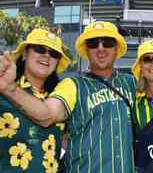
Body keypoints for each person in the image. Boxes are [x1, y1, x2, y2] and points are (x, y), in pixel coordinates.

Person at [0, 21, 136, 173]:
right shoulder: (72, 85)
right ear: (86, 50)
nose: (101, 48)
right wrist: (8, 87)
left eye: (108, 43)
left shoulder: (131, 83)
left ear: (117, 49)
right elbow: (48, 115)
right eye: (93, 43)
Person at [0, 29, 71, 172]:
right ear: (25, 53)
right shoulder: (3, 89)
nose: (46, 56)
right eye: (40, 49)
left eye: (53, 54)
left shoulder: (59, 101)